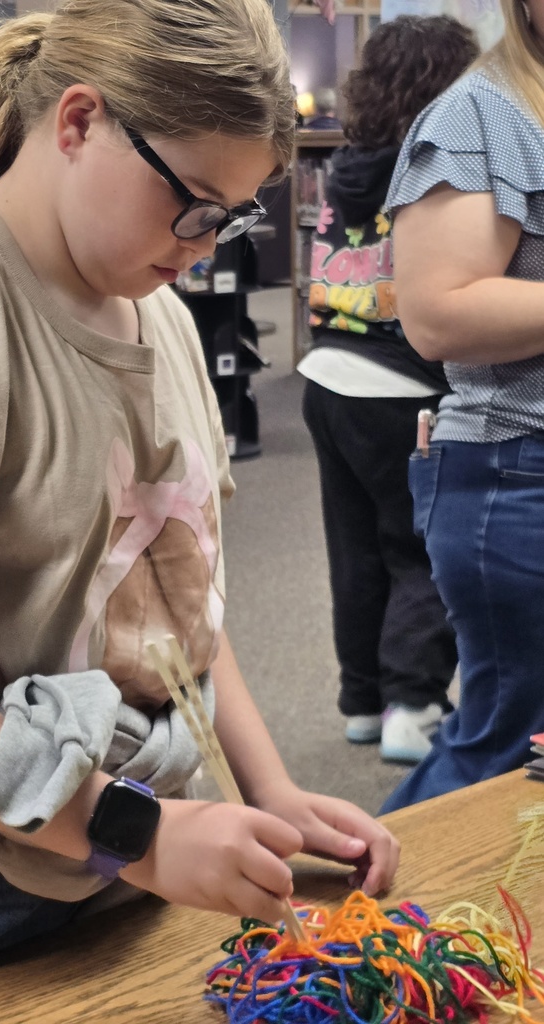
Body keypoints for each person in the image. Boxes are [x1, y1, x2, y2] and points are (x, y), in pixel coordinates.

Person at [0, 2, 400, 1017]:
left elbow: (178, 613)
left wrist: (266, 790)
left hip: (114, 849)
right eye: (190, 203)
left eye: (228, 215)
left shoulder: (163, 317)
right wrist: (139, 834)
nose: (203, 242)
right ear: (80, 121)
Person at [379, 0, 544, 811]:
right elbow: (438, 313)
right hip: (518, 470)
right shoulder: (483, 114)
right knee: (505, 744)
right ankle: (357, 934)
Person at [299, 16, 477, 765]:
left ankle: (363, 702)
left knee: (357, 548)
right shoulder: (436, 169)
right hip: (402, 385)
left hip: (326, 371)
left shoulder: (352, 161)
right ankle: (414, 703)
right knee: (420, 548)